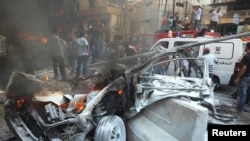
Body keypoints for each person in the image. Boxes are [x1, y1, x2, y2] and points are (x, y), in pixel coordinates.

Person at [234, 42, 250, 112]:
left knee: (242, 93)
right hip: (249, 76)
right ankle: (241, 105)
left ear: (247, 47)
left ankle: (240, 108)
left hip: (245, 77)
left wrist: (237, 78)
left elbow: (243, 68)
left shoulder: (246, 56)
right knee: (245, 92)